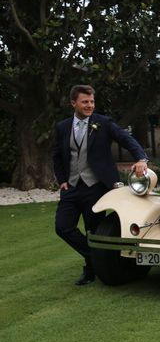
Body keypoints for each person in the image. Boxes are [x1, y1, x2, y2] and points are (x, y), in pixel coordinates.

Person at [53, 85, 148, 285]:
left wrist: (141, 158)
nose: (89, 105)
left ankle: (90, 271)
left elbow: (126, 139)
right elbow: (57, 156)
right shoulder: (62, 127)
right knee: (63, 228)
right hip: (71, 187)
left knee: (93, 230)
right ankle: (96, 258)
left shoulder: (103, 123)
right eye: (85, 102)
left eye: (92, 102)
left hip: (96, 186)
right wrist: (62, 180)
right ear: (73, 103)